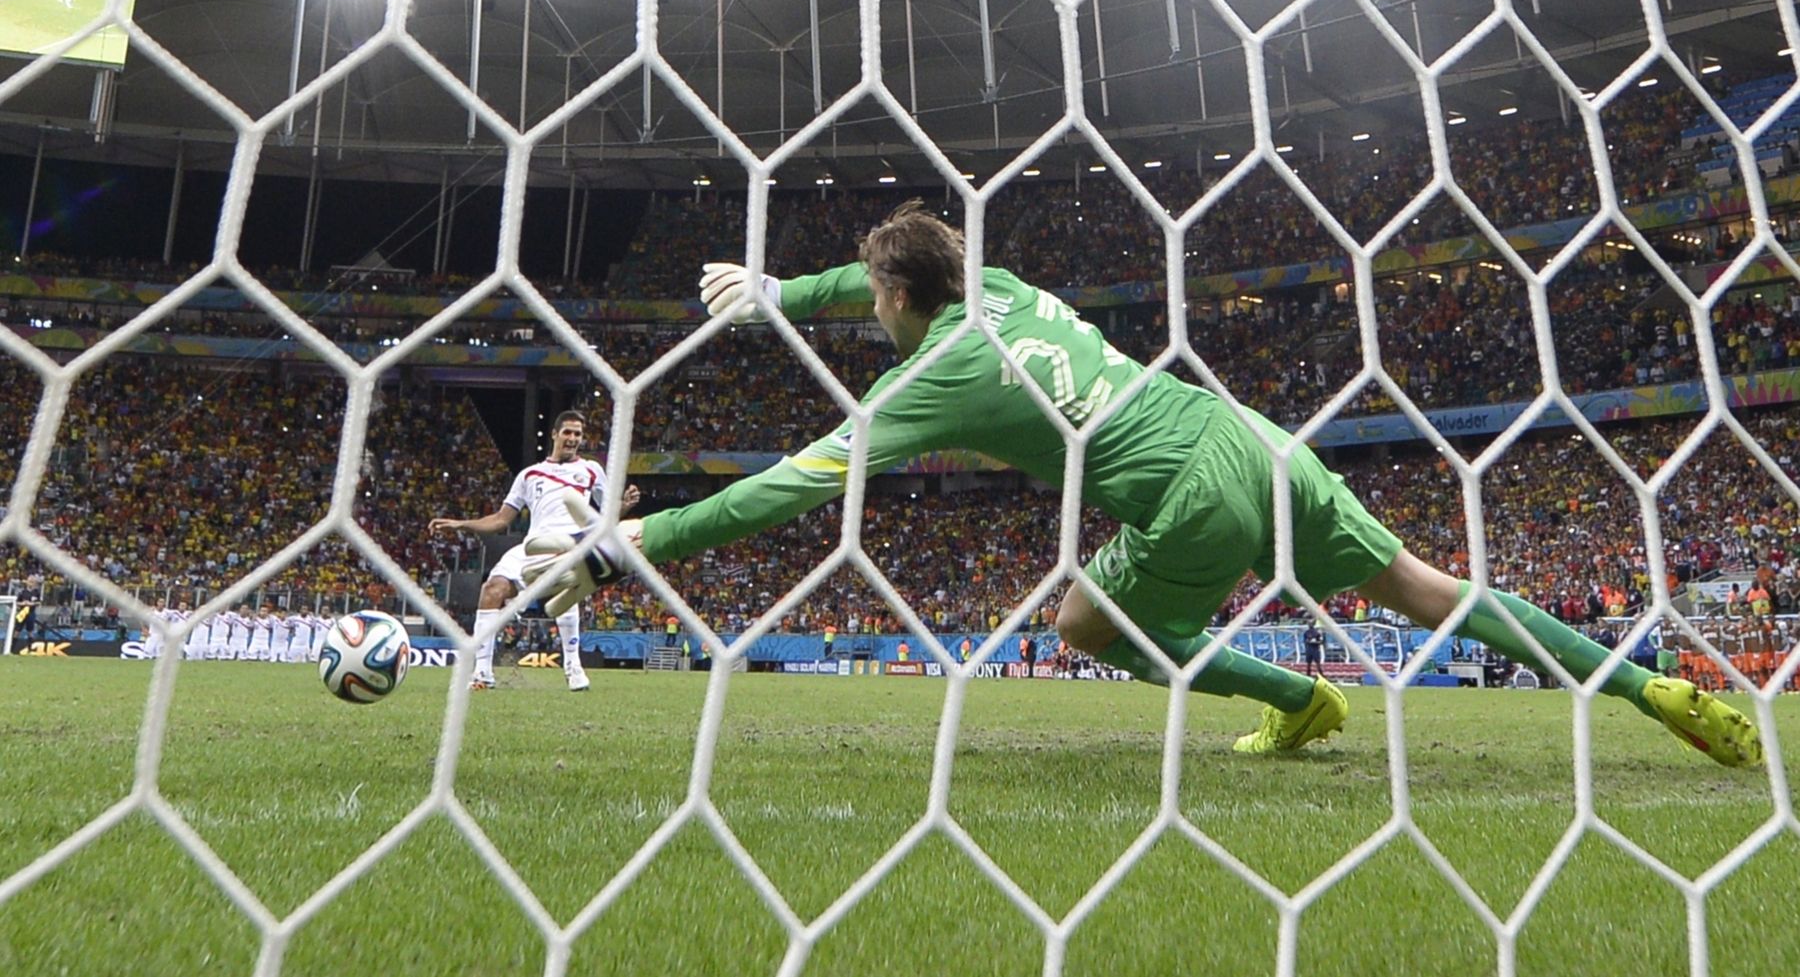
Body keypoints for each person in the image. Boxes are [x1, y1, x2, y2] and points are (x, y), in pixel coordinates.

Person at [533, 200, 1761, 767]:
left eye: (873, 298)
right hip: (1250, 434)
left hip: (1183, 488)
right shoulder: (995, 285)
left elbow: (789, 492)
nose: (871, 310)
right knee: (1431, 586)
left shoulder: (927, 384)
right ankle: (1660, 692)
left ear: (903, 302)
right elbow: (889, 272)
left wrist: (630, 541)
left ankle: (1298, 694)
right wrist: (783, 297)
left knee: (1080, 619)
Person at [430, 409, 639, 692]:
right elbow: (501, 520)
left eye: (578, 434)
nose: (573, 438)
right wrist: (461, 524)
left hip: (570, 544)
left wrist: (624, 506)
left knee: (566, 587)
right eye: (567, 432)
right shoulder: (530, 475)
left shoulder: (591, 470)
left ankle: (574, 669)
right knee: (492, 589)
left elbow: (605, 518)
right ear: (554, 434)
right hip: (534, 545)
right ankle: (482, 673)